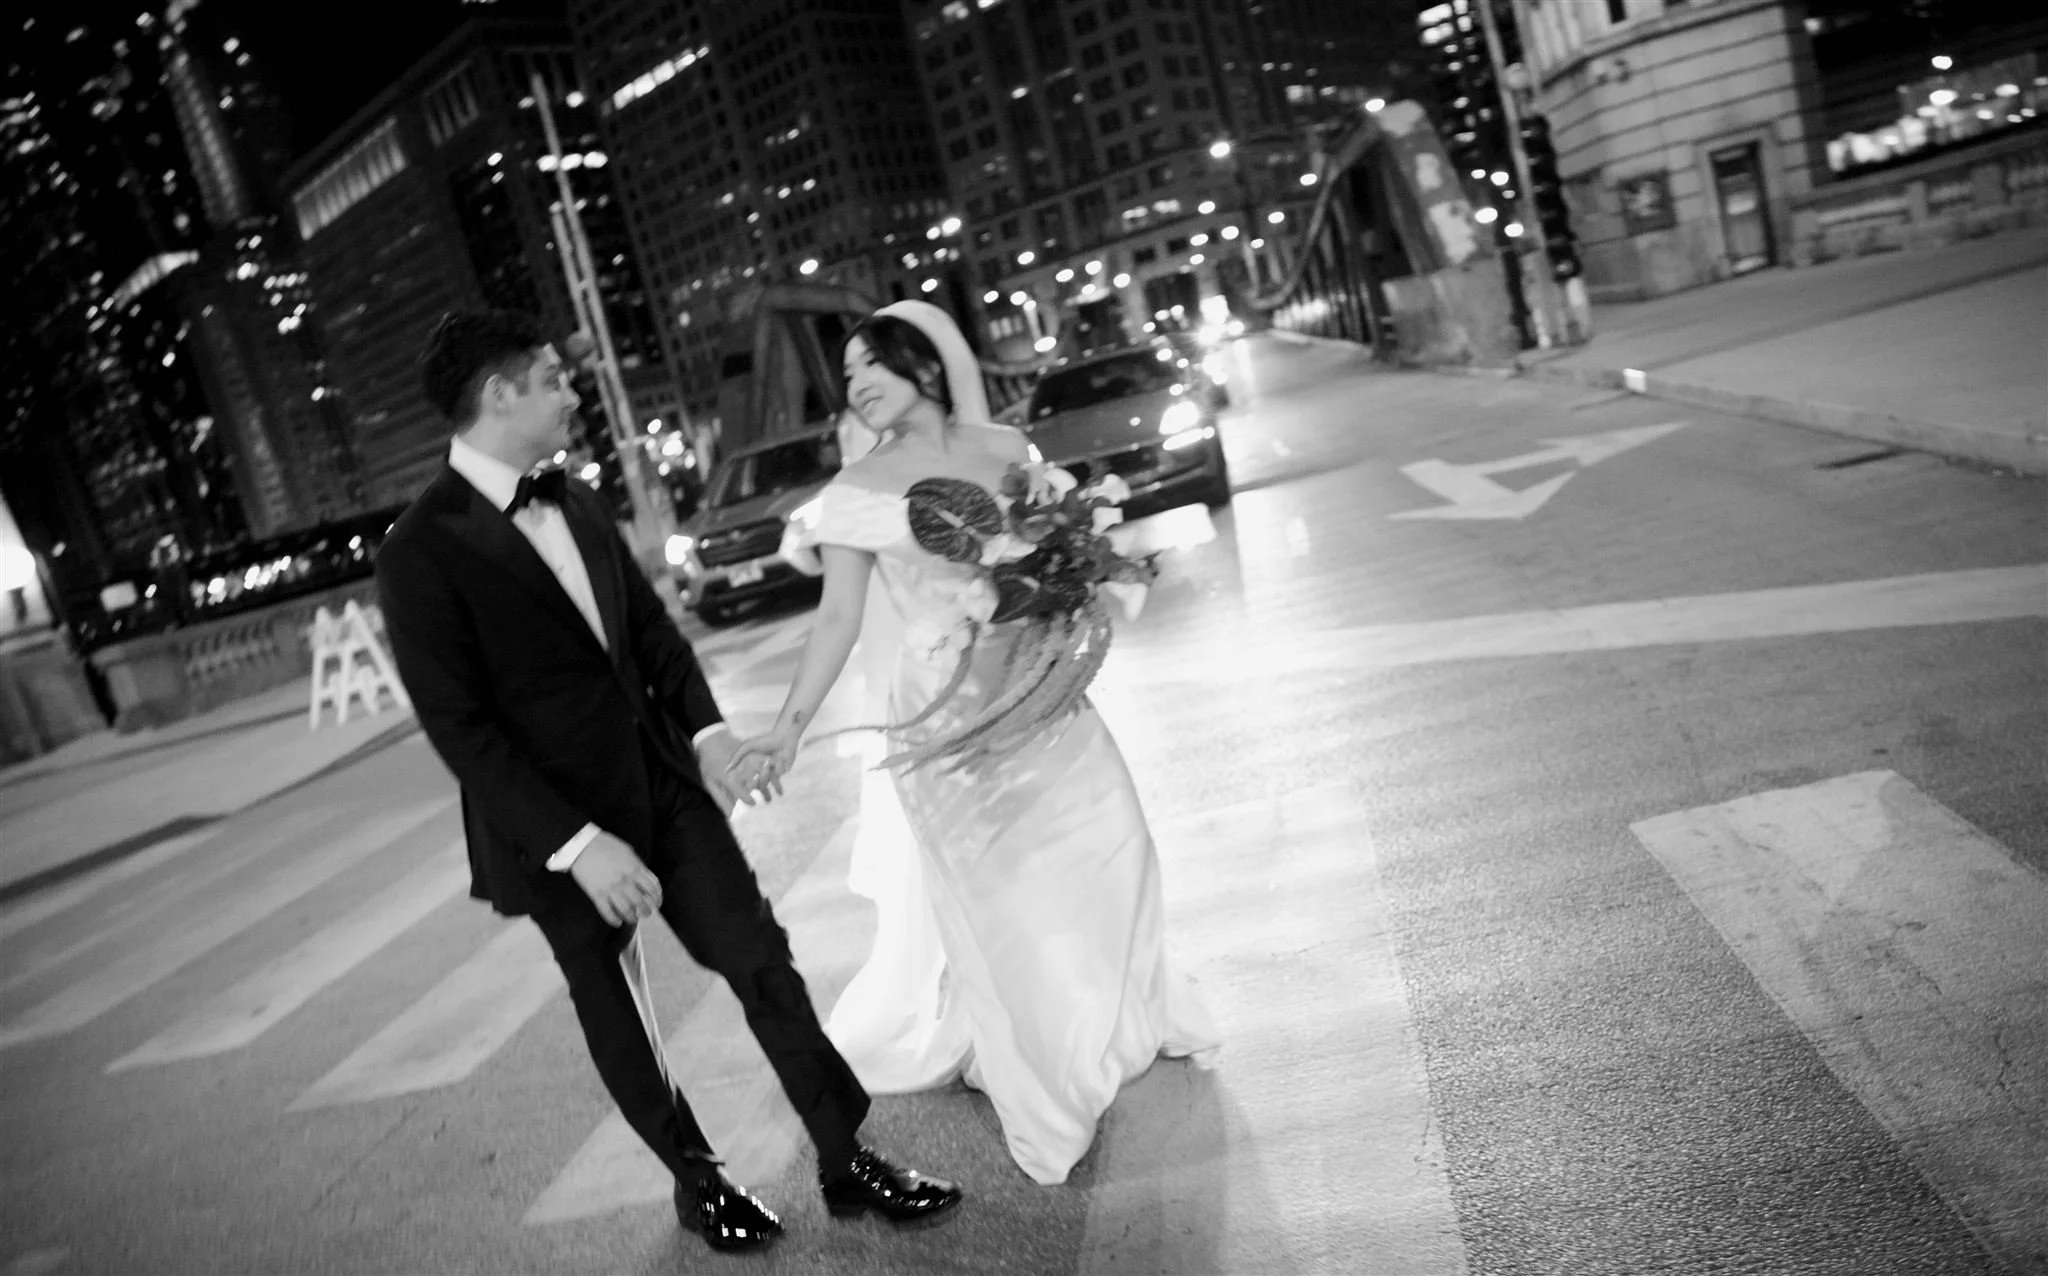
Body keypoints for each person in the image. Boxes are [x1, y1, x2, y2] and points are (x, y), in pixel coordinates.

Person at [373, 310, 961, 1254]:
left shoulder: (576, 500)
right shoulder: (417, 553)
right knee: (623, 1014)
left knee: (760, 959)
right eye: (554, 378)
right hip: (553, 831)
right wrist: (577, 845)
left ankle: (846, 1156)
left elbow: (651, 635)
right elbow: (462, 730)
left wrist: (712, 734)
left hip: (661, 783)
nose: (575, 392)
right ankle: (698, 1183)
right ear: (500, 394)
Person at [730, 301, 1221, 1186]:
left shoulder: (1004, 448)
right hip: (944, 723)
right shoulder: (848, 497)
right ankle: (1042, 1065)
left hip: (1039, 691)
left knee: (1117, 848)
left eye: (872, 364)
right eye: (847, 377)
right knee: (1003, 902)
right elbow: (838, 617)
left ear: (921, 361)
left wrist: (1070, 590)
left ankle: (1117, 1015)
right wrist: (787, 728)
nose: (859, 386)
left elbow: (1059, 547)